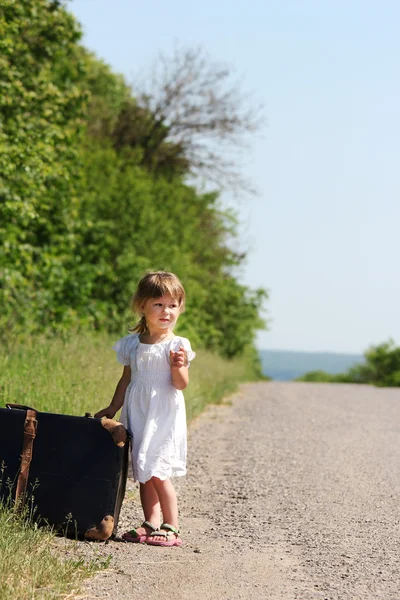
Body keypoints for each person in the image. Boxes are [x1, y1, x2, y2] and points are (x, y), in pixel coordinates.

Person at [95, 271, 195, 547]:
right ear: (142, 306)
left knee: (158, 469)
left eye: (173, 305)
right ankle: (150, 523)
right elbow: (126, 379)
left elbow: (181, 384)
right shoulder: (132, 345)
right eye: (158, 304)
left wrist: (178, 366)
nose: (166, 311)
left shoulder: (177, 345)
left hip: (163, 414)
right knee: (143, 468)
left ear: (180, 308)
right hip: (138, 410)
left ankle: (172, 526)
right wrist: (114, 407)